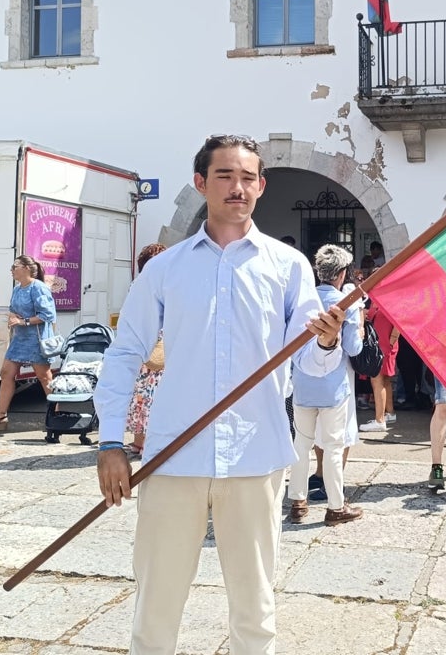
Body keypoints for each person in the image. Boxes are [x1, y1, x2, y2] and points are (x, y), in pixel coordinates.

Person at [93, 134, 345, 655]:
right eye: (225, 176)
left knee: (255, 609)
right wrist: (110, 442)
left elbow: (308, 359)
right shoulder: (166, 268)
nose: (237, 187)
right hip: (173, 456)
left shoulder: (287, 266)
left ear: (261, 186)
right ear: (201, 183)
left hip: (257, 458)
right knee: (156, 607)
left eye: (248, 177)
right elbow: (124, 355)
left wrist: (326, 337)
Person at [287, 245, 363, 526]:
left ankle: (297, 501)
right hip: (333, 387)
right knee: (333, 446)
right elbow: (354, 349)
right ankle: (335, 505)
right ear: (341, 274)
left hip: (303, 384)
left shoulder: (304, 300)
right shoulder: (348, 303)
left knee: (301, 443)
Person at [0, 255, 58, 431]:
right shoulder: (17, 289)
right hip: (20, 339)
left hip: (36, 339)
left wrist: (24, 322)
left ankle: (56, 414)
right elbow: (13, 310)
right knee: (6, 372)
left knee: (44, 377)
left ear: (27, 268)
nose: (12, 270)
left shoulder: (38, 288)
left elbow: (48, 315)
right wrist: (13, 317)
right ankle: (0, 416)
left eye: (15, 266)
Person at [124, 243, 168, 458]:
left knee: (140, 395)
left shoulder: (136, 284)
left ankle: (138, 442)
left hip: (140, 347)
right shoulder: (162, 284)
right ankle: (148, 443)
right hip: (158, 346)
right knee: (154, 395)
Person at [359, 297, 400, 433]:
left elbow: (399, 322)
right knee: (385, 380)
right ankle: (390, 413)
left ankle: (379, 420)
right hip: (381, 344)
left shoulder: (391, 299)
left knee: (377, 380)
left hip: (384, 344)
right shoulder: (377, 299)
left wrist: (392, 339)